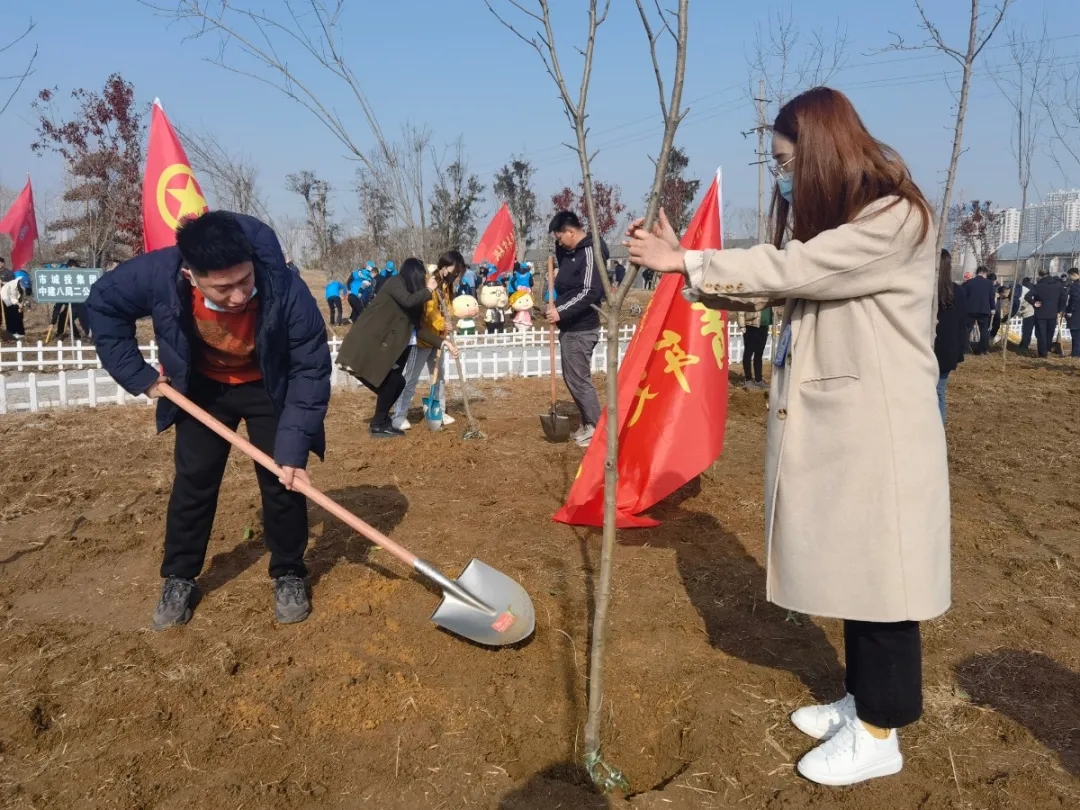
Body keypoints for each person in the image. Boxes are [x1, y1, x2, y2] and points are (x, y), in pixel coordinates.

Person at [627, 87, 949, 787]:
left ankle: (880, 732)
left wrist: (688, 261)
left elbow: (796, 270)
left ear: (822, 151)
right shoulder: (854, 225)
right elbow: (783, 283)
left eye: (783, 162)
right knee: (861, 576)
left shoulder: (895, 219)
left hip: (882, 438)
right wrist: (688, 269)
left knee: (885, 584)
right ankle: (862, 702)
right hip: (853, 433)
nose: (781, 177)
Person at [86, 211, 331, 629]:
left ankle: (289, 571)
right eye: (223, 287)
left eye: (244, 280)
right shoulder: (158, 275)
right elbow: (104, 305)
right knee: (195, 481)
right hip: (202, 388)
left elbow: (310, 368)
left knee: (284, 478)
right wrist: (139, 375)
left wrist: (293, 450)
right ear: (190, 274)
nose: (238, 296)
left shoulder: (284, 285)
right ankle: (179, 576)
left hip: (268, 385)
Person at [336, 258, 459, 438]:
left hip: (384, 347)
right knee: (391, 382)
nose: (423, 280)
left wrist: (442, 343)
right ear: (413, 274)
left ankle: (380, 421)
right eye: (421, 276)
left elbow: (417, 328)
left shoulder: (413, 297)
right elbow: (407, 301)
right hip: (367, 344)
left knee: (395, 383)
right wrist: (428, 290)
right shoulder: (395, 283)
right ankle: (379, 423)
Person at [548, 210, 608, 448]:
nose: (559, 243)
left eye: (560, 238)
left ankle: (597, 428)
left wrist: (560, 312)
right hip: (570, 327)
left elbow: (589, 291)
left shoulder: (591, 251)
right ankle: (588, 423)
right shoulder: (571, 253)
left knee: (580, 380)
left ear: (571, 231)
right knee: (573, 378)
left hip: (581, 328)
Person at [390, 251, 465, 430]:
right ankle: (399, 415)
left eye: (458, 272)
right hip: (422, 339)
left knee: (438, 377)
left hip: (438, 339)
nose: (456, 275)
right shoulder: (430, 282)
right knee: (411, 378)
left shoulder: (446, 287)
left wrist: (449, 321)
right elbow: (429, 311)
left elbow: (447, 309)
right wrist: (441, 323)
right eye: (455, 270)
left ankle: (439, 410)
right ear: (445, 266)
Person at [934, 249, 968, 422]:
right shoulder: (958, 292)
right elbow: (963, 324)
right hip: (948, 351)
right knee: (939, 392)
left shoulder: (928, 291)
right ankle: (939, 430)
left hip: (927, 349)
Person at [1025, 268, 1068, 358]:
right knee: (1050, 333)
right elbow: (1064, 297)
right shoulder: (1058, 285)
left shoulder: (1038, 286)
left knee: (1041, 334)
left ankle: (1043, 353)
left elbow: (1027, 296)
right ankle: (1047, 349)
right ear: (1049, 273)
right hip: (1053, 312)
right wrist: (1059, 309)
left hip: (1040, 312)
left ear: (1040, 275)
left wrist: (1034, 303)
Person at [737, 305, 772, 390]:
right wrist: (742, 325)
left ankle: (758, 379)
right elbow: (741, 308)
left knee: (759, 353)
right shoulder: (751, 296)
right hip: (751, 325)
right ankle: (748, 379)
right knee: (748, 352)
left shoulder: (770, 298)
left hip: (764, 326)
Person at [962, 265, 995, 355]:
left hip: (970, 309)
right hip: (984, 309)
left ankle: (964, 350)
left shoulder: (969, 282)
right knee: (984, 330)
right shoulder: (989, 283)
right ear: (984, 273)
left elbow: (964, 296)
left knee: (967, 330)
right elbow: (991, 297)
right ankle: (983, 350)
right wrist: (993, 308)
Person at [1, 273, 28, 339]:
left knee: (19, 316)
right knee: (11, 316)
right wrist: (18, 304)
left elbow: (23, 297)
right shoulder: (13, 285)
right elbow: (12, 297)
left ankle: (20, 333)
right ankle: (12, 333)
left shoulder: (22, 287)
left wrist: (21, 305)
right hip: (7, 300)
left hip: (16, 301)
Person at [1065, 267, 1080, 358]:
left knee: (1076, 333)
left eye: (1070, 276)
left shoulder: (1075, 286)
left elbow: (1073, 300)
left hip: (1076, 313)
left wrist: (1070, 311)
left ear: (1074, 275)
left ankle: (1076, 354)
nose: (1069, 278)